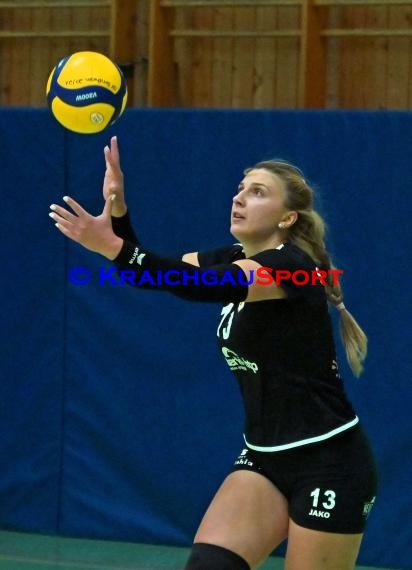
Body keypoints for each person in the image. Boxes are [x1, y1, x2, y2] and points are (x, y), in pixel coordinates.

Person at [49, 136, 377, 570]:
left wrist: (110, 246)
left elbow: (194, 283)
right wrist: (119, 216)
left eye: (257, 192)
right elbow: (156, 272)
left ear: (288, 217)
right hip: (263, 457)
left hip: (329, 461)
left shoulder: (293, 267)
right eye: (240, 189)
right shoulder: (237, 256)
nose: (240, 198)